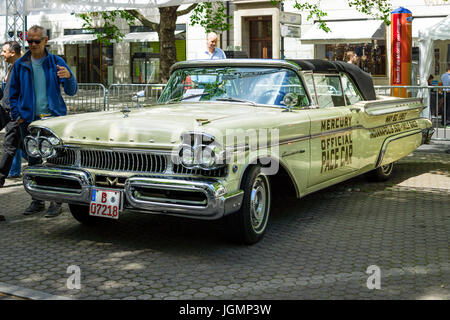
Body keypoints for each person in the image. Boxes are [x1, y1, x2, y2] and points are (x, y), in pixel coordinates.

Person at [9, 25, 78, 217]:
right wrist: (18, 115)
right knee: (34, 162)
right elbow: (12, 94)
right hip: (29, 122)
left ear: (45, 41)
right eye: (29, 41)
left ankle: (56, 202)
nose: (32, 44)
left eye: (36, 41)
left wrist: (69, 77)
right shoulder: (20, 64)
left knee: (55, 161)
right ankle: (37, 200)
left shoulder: (56, 62)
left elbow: (72, 90)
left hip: (53, 121)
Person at [0, 41, 22, 189]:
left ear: (12, 53)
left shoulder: (22, 67)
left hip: (16, 117)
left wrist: (19, 114)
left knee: (9, 148)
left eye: (4, 51)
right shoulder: (13, 67)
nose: (2, 54)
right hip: (10, 115)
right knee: (27, 149)